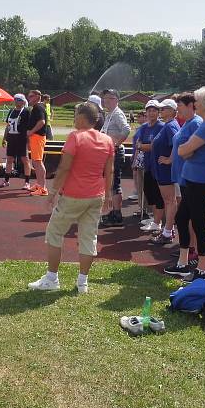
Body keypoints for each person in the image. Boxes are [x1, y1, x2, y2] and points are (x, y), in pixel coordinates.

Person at [28, 102, 114, 294]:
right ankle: (82, 282)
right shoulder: (107, 140)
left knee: (54, 233)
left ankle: (52, 278)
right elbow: (110, 171)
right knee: (88, 237)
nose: (74, 119)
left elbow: (65, 167)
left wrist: (53, 192)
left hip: (74, 195)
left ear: (82, 117)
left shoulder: (76, 137)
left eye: (75, 115)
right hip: (96, 196)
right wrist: (108, 194)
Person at [164, 87, 205, 280]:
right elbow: (184, 150)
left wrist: (186, 150)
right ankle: (183, 262)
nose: (195, 104)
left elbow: (183, 150)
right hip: (192, 178)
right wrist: (186, 150)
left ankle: (202, 269)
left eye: (197, 101)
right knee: (182, 218)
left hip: (200, 180)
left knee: (198, 224)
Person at [167, 93, 202, 268]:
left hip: (188, 176)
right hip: (181, 175)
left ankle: (192, 250)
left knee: (188, 217)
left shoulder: (196, 123)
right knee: (184, 217)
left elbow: (194, 149)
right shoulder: (187, 123)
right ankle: (187, 247)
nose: (177, 109)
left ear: (190, 106)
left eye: (179, 105)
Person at [149, 99, 180, 245]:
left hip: (166, 170)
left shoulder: (170, 126)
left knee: (170, 201)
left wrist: (169, 159)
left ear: (172, 110)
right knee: (169, 201)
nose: (160, 111)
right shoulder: (168, 125)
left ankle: (168, 232)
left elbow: (177, 142)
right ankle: (169, 229)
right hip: (162, 170)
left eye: (164, 108)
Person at [99, 88, 131, 225]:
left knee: (114, 183)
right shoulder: (110, 114)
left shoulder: (117, 114)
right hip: (109, 152)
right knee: (112, 183)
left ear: (117, 100)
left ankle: (117, 214)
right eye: (105, 98)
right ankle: (114, 211)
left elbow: (126, 129)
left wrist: (116, 144)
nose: (106, 101)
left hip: (115, 152)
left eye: (110, 98)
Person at [135, 100, 165, 232]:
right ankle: (154, 218)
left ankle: (157, 223)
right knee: (149, 192)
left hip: (157, 166)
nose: (151, 113)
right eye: (149, 110)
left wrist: (143, 146)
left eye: (154, 110)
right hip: (147, 165)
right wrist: (143, 146)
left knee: (157, 194)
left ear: (158, 112)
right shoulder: (144, 127)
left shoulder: (161, 126)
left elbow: (154, 146)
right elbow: (138, 143)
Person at [0, 94, 32, 189]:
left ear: (23, 101)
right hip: (12, 139)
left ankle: (27, 182)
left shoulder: (26, 112)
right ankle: (6, 180)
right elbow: (8, 126)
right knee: (9, 159)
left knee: (25, 160)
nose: (16, 101)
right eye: (15, 100)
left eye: (18, 100)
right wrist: (4, 138)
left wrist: (29, 142)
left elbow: (29, 128)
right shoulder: (11, 111)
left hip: (22, 139)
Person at [26, 90, 49, 196]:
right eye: (28, 96)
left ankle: (43, 188)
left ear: (37, 97)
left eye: (31, 96)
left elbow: (42, 122)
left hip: (38, 137)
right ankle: (39, 185)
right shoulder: (36, 108)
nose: (28, 98)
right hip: (35, 138)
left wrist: (31, 131)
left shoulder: (38, 107)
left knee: (38, 162)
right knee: (36, 162)